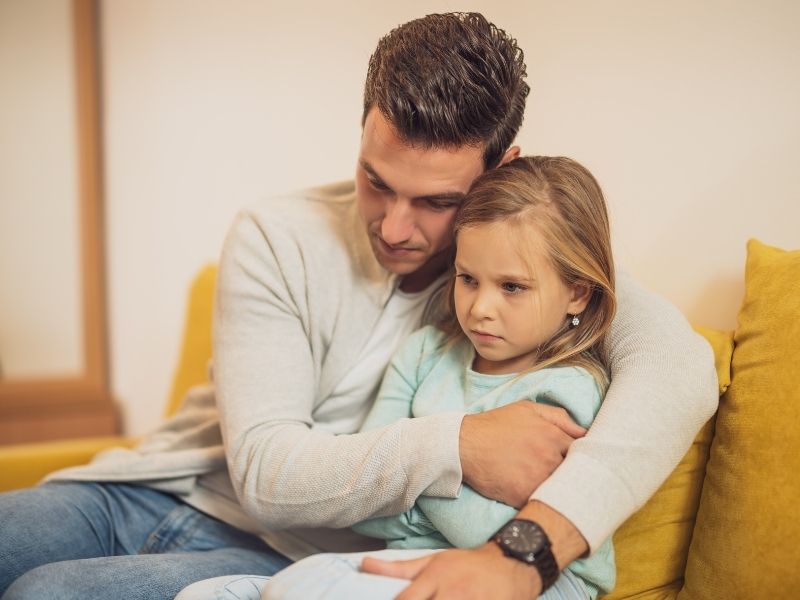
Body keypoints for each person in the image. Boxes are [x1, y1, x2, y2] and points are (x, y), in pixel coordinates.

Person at [0, 13, 717, 600]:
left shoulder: (520, 269)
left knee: (47, 593)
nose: (396, 228)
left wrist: (523, 552)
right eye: (376, 181)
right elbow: (267, 474)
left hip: (302, 559)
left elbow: (680, 368)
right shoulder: (276, 234)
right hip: (157, 491)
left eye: (437, 201)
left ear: (502, 168)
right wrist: (459, 443)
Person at [257, 155, 619, 600]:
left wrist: (410, 486)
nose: (480, 307)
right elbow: (365, 508)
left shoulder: (569, 388)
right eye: (468, 278)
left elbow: (496, 536)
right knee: (260, 588)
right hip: (409, 564)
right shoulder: (425, 354)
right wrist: (444, 475)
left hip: (536, 582)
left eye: (511, 287)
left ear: (578, 293)